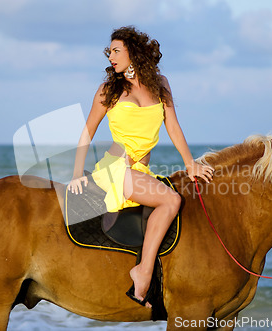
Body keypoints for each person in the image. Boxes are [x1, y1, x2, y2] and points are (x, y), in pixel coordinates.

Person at [67, 26, 214, 308]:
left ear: (133, 52)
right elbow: (87, 133)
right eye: (109, 52)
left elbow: (172, 124)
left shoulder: (161, 84)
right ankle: (143, 272)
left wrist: (190, 163)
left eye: (116, 50)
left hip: (139, 171)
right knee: (171, 200)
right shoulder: (109, 90)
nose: (111, 56)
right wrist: (76, 173)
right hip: (115, 169)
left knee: (169, 200)